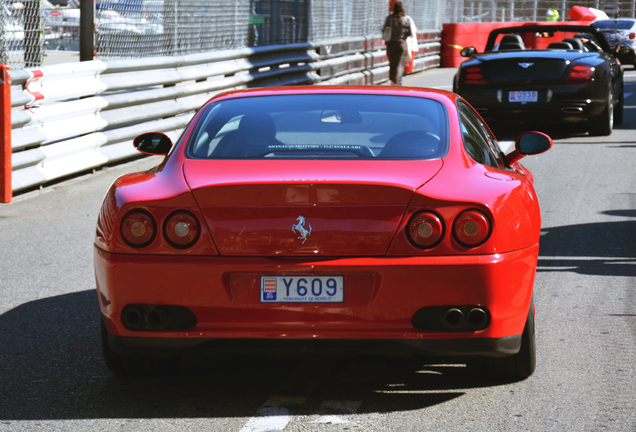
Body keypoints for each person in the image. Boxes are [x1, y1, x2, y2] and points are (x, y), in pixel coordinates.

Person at [382, 1, 412, 86]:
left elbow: (384, 29)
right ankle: (397, 82)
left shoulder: (389, 18)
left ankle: (392, 82)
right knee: (399, 65)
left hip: (390, 44)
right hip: (401, 44)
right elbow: (410, 33)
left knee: (392, 64)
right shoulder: (406, 19)